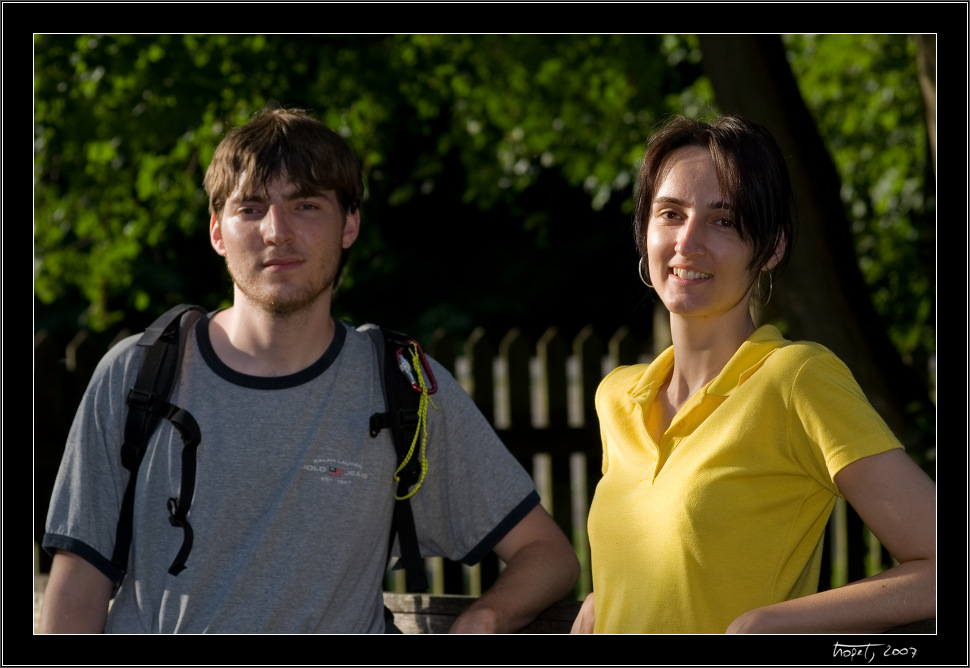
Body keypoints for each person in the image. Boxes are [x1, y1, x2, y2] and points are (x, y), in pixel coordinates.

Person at [39, 107, 579, 634]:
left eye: (306, 206)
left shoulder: (401, 387)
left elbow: (549, 555)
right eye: (250, 208)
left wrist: (482, 621)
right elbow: (77, 590)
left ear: (349, 225)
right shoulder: (138, 375)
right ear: (217, 233)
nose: (277, 231)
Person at [570, 115, 935, 634]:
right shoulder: (618, 396)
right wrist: (607, 594)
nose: (687, 242)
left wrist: (767, 623)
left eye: (723, 220)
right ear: (644, 232)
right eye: (670, 213)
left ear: (772, 247)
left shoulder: (795, 380)